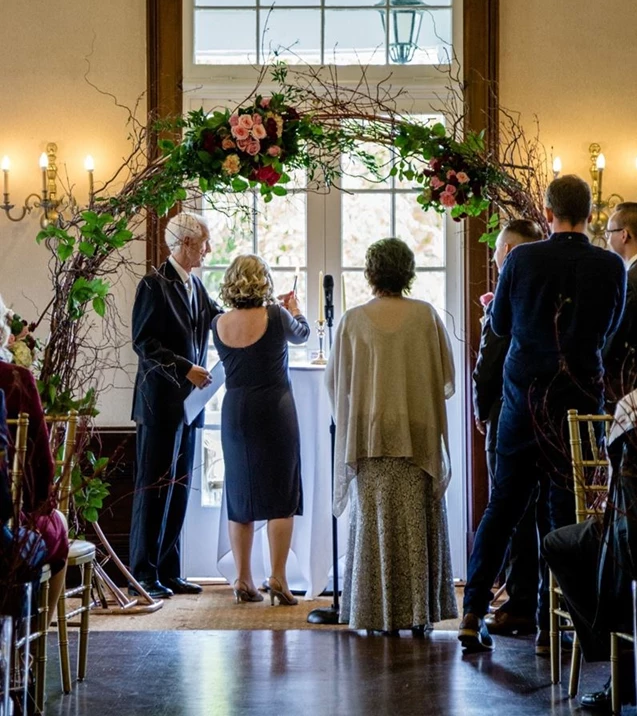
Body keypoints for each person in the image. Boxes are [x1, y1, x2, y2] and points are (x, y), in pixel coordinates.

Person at [459, 175, 627, 653]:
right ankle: (561, 629)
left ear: (548, 214)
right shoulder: (610, 265)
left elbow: (501, 325)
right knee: (566, 516)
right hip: (576, 405)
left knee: (502, 510)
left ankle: (472, 612)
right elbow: (610, 331)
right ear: (590, 214)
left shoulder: (523, 259)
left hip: (521, 404)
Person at [327, 237, 457, 634]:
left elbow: (336, 384)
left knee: (373, 526)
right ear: (408, 272)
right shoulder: (426, 315)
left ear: (370, 274)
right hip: (417, 435)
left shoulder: (352, 320)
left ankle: (375, 614)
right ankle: (420, 614)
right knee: (417, 524)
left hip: (370, 436)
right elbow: (446, 378)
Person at [129, 211, 222, 599]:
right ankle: (143, 574)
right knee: (153, 489)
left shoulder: (197, 286)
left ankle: (170, 569)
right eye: (204, 242)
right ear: (185, 243)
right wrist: (186, 368)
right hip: (159, 405)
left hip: (189, 407)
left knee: (180, 487)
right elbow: (144, 342)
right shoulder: (154, 285)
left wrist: (259, 311)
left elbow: (220, 322)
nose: (209, 249)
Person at [212, 254, 310, 606]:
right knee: (281, 496)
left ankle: (242, 578)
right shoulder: (276, 316)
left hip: (235, 410)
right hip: (274, 409)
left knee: (240, 497)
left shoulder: (218, 323)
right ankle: (279, 578)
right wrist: (296, 309)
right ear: (263, 281)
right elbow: (302, 336)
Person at [542, 386, 637, 710]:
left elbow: (616, 492)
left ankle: (618, 658)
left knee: (557, 544)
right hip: (627, 532)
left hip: (629, 540)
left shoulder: (633, 409)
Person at [473, 219, 544, 636]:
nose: (497, 260)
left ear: (513, 251)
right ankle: (527, 599)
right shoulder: (544, 292)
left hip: (507, 410)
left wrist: (483, 408)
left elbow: (492, 358)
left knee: (510, 510)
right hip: (540, 412)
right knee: (533, 512)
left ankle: (518, 602)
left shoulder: (511, 292)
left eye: (500, 251)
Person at [0, 294, 69, 626]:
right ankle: (37, 639)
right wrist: (42, 503)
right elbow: (41, 458)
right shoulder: (16, 379)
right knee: (58, 525)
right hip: (10, 515)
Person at [604, 202, 637, 401]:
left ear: (624, 235)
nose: (607, 238)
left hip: (631, 385)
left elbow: (618, 335)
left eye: (609, 232)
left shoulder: (632, 281)